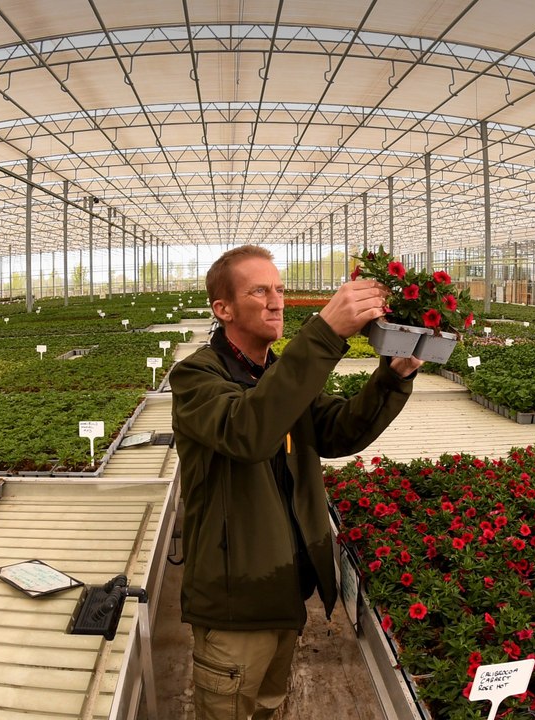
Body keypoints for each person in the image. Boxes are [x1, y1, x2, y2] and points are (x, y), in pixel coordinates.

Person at [170, 244, 423, 719]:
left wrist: (392, 377)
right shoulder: (196, 378)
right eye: (259, 291)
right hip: (235, 605)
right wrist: (324, 334)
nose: (276, 301)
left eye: (280, 290)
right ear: (222, 309)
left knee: (268, 706)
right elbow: (248, 432)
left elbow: (341, 429)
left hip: (285, 594)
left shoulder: (277, 376)